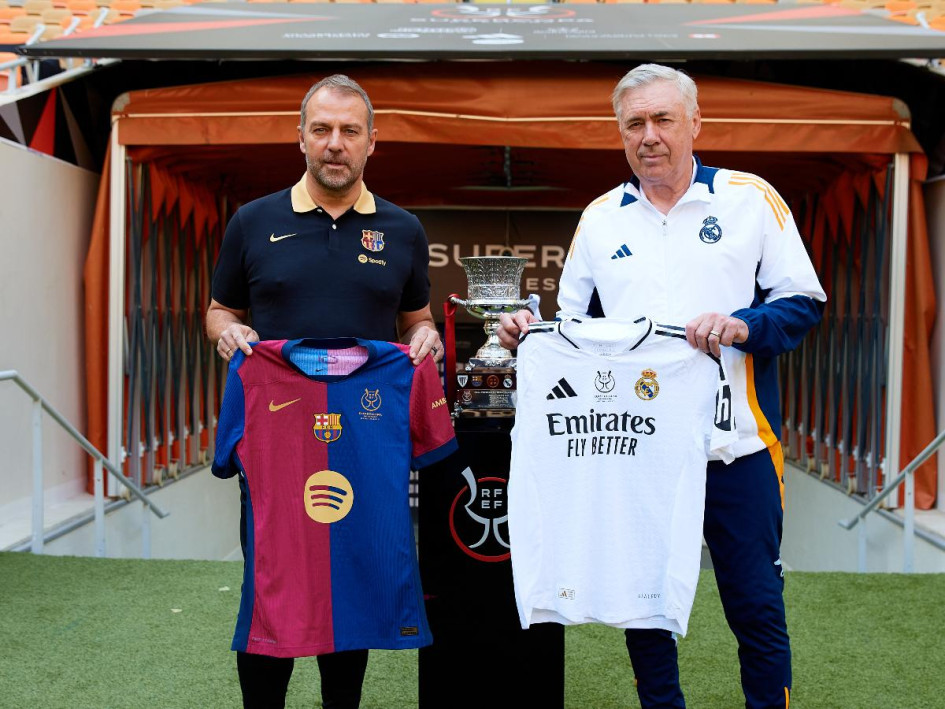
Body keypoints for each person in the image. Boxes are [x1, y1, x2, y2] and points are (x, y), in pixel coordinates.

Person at [498, 64, 826, 709]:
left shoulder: (749, 199)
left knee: (756, 604)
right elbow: (574, 330)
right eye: (635, 124)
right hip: (639, 448)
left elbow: (803, 303)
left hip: (738, 446)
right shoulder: (600, 219)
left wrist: (743, 324)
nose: (649, 136)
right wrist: (526, 333)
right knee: (646, 608)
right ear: (621, 136)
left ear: (695, 123)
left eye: (663, 120)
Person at [206, 74, 443, 709]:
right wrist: (230, 334)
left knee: (354, 576)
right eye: (321, 130)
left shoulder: (403, 229)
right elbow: (218, 310)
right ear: (301, 138)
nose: (334, 144)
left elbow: (415, 321)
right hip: (278, 435)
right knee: (275, 579)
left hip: (362, 434)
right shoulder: (254, 221)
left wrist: (426, 340)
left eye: (349, 131)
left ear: (372, 143)